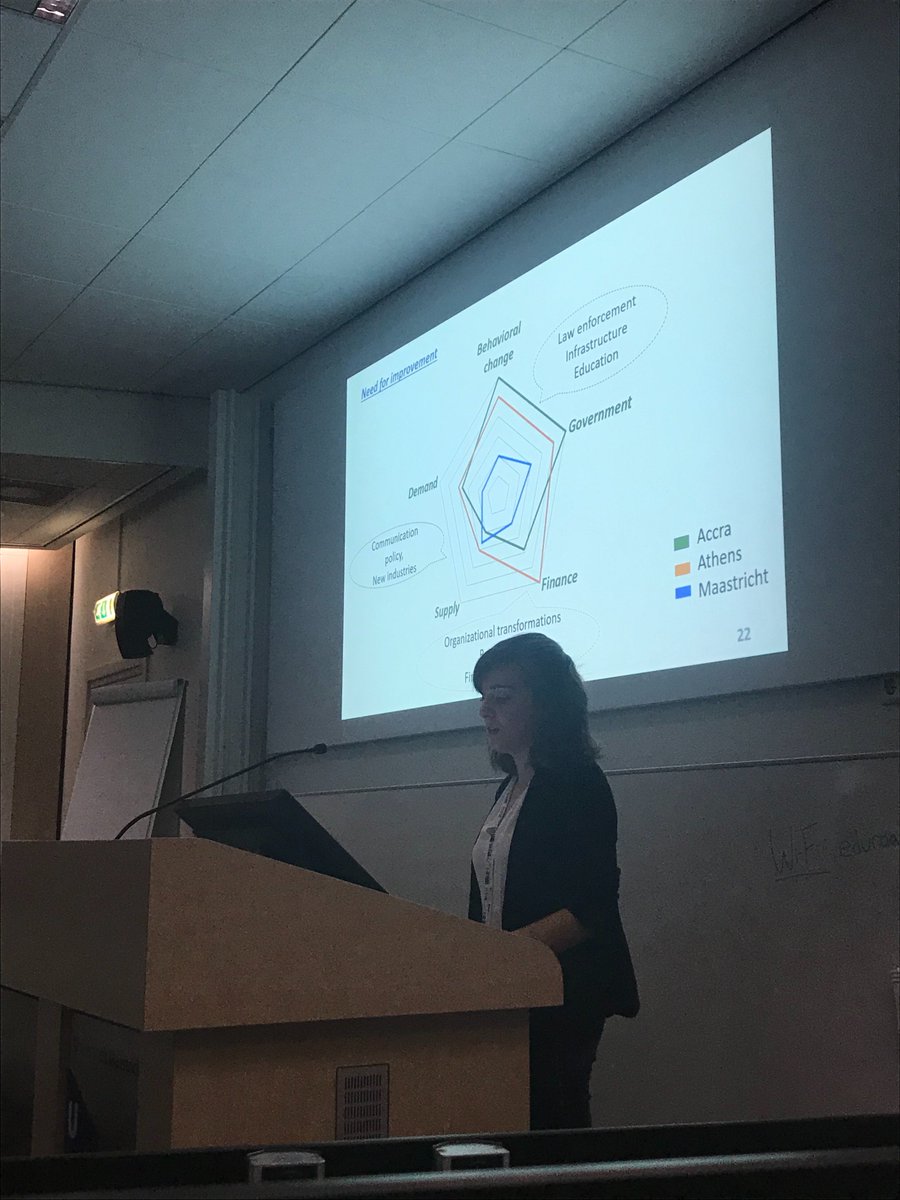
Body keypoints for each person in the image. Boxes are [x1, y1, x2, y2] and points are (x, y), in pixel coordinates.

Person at [469, 632, 639, 1130]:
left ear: (547, 705)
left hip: (561, 993)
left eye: (501, 697)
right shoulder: (508, 789)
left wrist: (503, 958)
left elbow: (590, 908)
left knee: (553, 1126)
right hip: (508, 990)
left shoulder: (579, 783)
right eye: (483, 697)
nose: (484, 710)